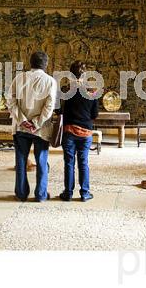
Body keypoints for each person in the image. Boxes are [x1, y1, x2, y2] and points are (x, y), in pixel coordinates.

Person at [6, 51, 57, 202]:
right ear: (46, 64)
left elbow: (10, 101)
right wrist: (36, 123)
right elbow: (49, 107)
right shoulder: (50, 81)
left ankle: (21, 194)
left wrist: (22, 120)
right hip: (40, 129)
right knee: (41, 161)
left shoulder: (19, 78)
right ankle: (41, 195)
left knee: (21, 160)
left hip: (21, 128)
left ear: (30, 63)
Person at [60, 61, 98, 202]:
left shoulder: (65, 91)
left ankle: (68, 193)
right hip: (85, 132)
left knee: (69, 163)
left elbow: (59, 111)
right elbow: (94, 114)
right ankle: (85, 193)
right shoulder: (92, 92)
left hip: (69, 131)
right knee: (83, 162)